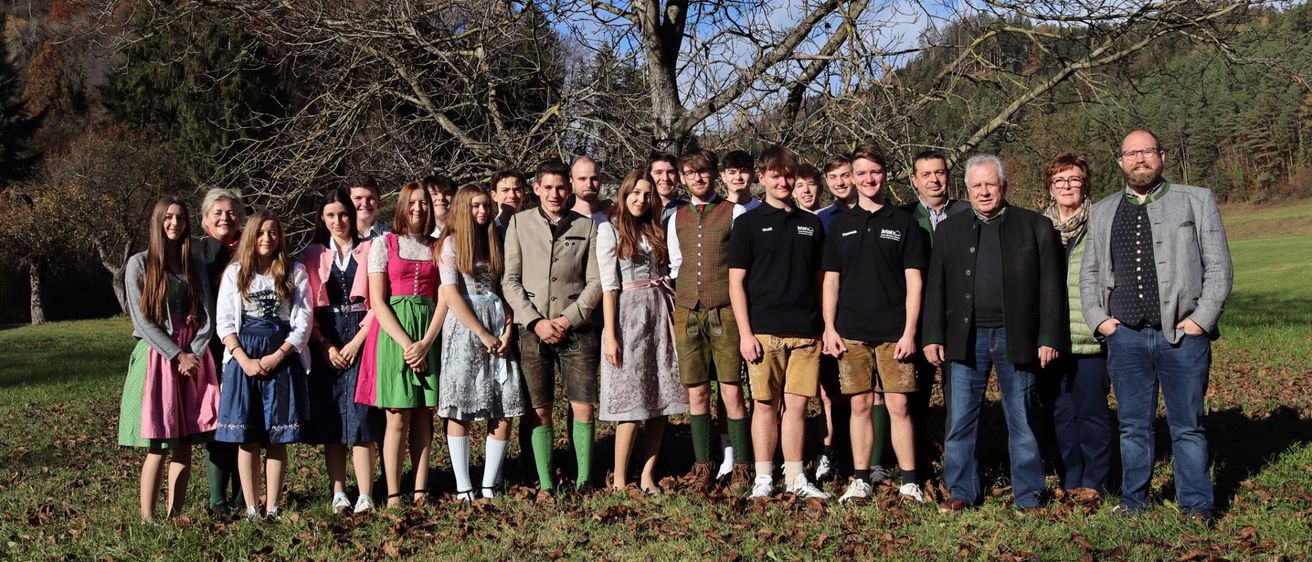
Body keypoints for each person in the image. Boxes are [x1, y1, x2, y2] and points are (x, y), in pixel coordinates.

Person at [1080, 129, 1232, 521]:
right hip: (1125, 336)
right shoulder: (1103, 211)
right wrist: (1101, 321)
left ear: (1161, 156)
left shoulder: (1196, 200)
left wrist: (1201, 320)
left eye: (1146, 151)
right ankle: (1133, 502)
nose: (1140, 159)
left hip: (1183, 336)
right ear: (1120, 162)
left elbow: (1219, 267)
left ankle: (1197, 505)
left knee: (1188, 426)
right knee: (1132, 428)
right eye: (1131, 153)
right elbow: (1090, 272)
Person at [922, 155, 1064, 513]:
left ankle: (1029, 494)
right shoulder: (950, 230)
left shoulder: (1035, 226)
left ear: (1004, 186)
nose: (983, 192)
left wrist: (1049, 336)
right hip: (965, 338)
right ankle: (961, 491)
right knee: (960, 421)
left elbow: (1051, 287)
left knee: (1022, 418)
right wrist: (933, 334)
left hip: (1017, 336)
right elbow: (936, 286)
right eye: (976, 186)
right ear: (966, 190)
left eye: (990, 184)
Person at [820, 145, 929, 504]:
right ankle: (861, 478)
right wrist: (830, 328)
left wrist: (911, 331)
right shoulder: (839, 225)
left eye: (875, 172)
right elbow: (831, 281)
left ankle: (910, 481)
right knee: (860, 406)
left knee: (898, 407)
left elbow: (915, 282)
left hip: (894, 333)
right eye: (861, 173)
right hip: (851, 332)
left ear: (885, 174)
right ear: (851, 177)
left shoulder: (904, 223)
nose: (868, 179)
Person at [728, 145, 828, 499]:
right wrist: (745, 333)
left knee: (798, 406)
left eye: (789, 175)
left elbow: (820, 282)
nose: (784, 181)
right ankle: (764, 477)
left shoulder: (811, 224)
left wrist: (824, 326)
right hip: (763, 332)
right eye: (776, 175)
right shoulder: (747, 223)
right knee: (765, 406)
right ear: (762, 178)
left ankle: (796, 477)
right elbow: (736, 282)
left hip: (806, 332)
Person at [502, 160, 603, 494]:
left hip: (576, 327)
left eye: (561, 187)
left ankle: (585, 478)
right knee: (540, 406)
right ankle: (546, 483)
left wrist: (569, 318)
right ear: (536, 189)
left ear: (569, 188)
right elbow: (510, 281)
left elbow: (596, 281)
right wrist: (536, 321)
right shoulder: (518, 224)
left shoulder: (587, 226)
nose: (555, 194)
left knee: (583, 404)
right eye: (548, 187)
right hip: (533, 329)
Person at [118, 196, 220, 521]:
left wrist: (195, 353)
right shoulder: (139, 264)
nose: (174, 224)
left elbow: (208, 316)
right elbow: (142, 320)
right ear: (158, 221)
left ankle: (174, 514)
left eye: (180, 218)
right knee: (159, 442)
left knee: (185, 441)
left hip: (192, 360)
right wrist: (176, 354)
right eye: (168, 218)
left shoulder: (194, 265)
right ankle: (148, 518)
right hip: (158, 359)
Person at [214, 211, 313, 520]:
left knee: (276, 437)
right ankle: (251, 506)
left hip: (280, 358)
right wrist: (243, 359)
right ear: (250, 237)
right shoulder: (235, 273)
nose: (267, 238)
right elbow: (225, 321)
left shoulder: (294, 272)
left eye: (273, 233)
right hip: (244, 358)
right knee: (248, 436)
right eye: (260, 233)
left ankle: (272, 505)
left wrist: (278, 355)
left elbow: (303, 322)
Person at [666, 148, 753, 494]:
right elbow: (676, 265)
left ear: (714, 174)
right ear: (682, 178)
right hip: (688, 310)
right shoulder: (676, 217)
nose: (697, 178)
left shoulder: (736, 211)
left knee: (731, 389)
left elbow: (746, 265)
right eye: (690, 173)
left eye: (703, 172)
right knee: (697, 392)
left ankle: (743, 466)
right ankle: (704, 466)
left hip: (726, 310)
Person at [355, 182, 445, 508]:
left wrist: (426, 343)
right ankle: (394, 492)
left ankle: (421, 489)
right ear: (403, 206)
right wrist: (409, 344)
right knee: (397, 416)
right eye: (413, 203)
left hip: (428, 332)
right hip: (395, 334)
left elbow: (444, 298)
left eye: (424, 203)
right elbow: (377, 301)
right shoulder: (384, 244)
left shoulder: (439, 246)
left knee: (423, 414)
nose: (418, 208)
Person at [598, 171, 689, 493]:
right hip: (627, 315)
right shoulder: (609, 230)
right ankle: (621, 479)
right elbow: (609, 288)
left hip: (660, 312)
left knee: (659, 397)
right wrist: (611, 335)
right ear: (624, 196)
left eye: (647, 194)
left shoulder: (658, 230)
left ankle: (648, 475)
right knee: (632, 398)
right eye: (635, 193)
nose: (641, 199)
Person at [299, 188, 384, 514]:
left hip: (362, 337)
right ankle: (339, 492)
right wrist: (323, 345)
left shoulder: (371, 249)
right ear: (322, 218)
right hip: (327, 339)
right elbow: (305, 308)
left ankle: (365, 493)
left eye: (343, 214)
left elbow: (379, 302)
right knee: (332, 420)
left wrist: (356, 342)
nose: (338, 221)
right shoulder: (311, 255)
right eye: (331, 215)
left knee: (362, 419)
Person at [435, 185, 523, 501]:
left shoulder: (495, 240)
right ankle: (463, 486)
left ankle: (489, 485)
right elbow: (451, 295)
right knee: (462, 407)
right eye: (475, 206)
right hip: (464, 328)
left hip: (498, 322)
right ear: (462, 208)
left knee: (503, 403)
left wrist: (507, 329)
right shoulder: (450, 244)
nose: (482, 212)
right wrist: (481, 333)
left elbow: (508, 288)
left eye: (485, 205)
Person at [1037, 152, 1114, 499]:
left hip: (1091, 337)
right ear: (1050, 188)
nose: (1067, 186)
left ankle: (1096, 481)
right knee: (1061, 413)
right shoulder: (1039, 228)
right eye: (1060, 181)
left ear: (1085, 184)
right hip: (1051, 338)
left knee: (1092, 412)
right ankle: (1071, 477)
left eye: (1074, 179)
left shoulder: (1102, 223)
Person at [900, 150, 971, 471]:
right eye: (926, 174)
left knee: (960, 397)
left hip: (960, 319)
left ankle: (959, 463)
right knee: (912, 397)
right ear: (914, 180)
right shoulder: (901, 218)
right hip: (914, 320)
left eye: (939, 172)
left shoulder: (969, 213)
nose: (934, 180)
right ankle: (915, 463)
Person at [192, 188, 244, 514]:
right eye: (218, 212)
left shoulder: (250, 249)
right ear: (205, 219)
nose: (225, 218)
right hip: (209, 346)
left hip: (248, 346)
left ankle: (243, 497)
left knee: (244, 421)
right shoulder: (196, 253)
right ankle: (217, 498)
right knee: (218, 424)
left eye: (231, 212)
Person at [816, 154, 856, 231]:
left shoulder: (872, 212)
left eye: (845, 175)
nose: (840, 183)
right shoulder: (821, 218)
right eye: (833, 177)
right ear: (827, 180)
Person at [348, 174, 390, 241]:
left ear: (378, 200)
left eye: (370, 198)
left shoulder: (391, 238)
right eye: (358, 198)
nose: (365, 204)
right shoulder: (335, 237)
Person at [571, 156, 611, 224]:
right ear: (572, 182)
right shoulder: (563, 221)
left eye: (594, 179)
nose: (589, 185)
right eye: (582, 179)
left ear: (600, 180)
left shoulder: (614, 218)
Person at [648, 152, 685, 223]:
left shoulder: (688, 211)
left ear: (677, 176)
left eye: (670, 172)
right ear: (648, 176)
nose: (665, 178)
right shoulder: (639, 209)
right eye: (658, 172)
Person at [722, 150, 761, 216]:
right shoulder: (714, 213)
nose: (738, 177)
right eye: (732, 172)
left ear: (753, 176)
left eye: (744, 171)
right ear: (723, 177)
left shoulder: (763, 209)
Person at [490, 169, 527, 236]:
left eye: (517, 190)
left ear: (524, 194)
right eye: (505, 190)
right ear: (494, 195)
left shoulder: (535, 229)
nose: (512, 195)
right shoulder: (487, 233)